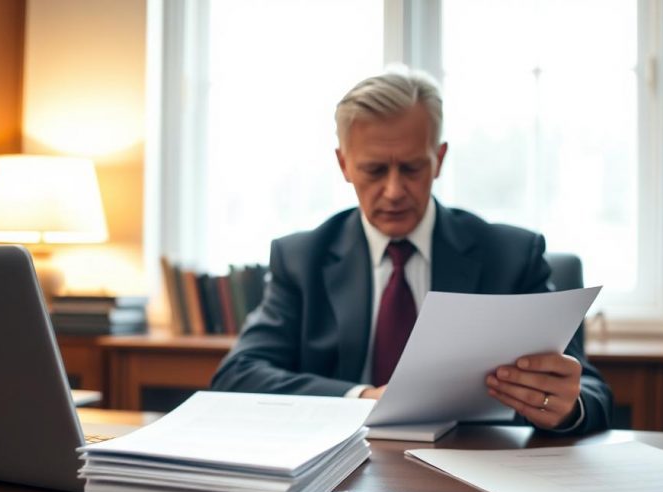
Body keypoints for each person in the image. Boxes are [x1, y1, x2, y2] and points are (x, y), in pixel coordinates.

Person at [211, 67, 611, 435]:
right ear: (344, 164)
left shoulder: (511, 256)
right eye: (374, 170)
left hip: (476, 465)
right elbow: (238, 376)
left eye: (412, 168)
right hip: (340, 471)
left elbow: (590, 391)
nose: (394, 191)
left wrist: (565, 408)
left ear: (438, 160)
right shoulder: (302, 258)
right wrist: (363, 399)